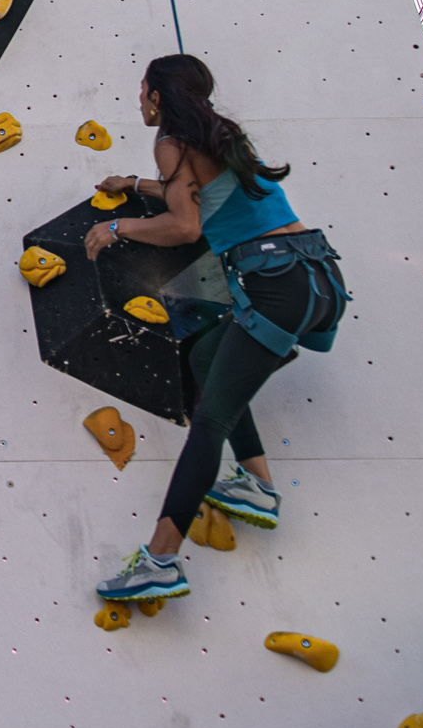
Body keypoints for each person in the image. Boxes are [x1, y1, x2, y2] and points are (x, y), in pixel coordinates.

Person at [81, 53, 349, 603]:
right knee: (206, 360)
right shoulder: (223, 136)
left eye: (142, 90)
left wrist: (117, 224)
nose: (138, 99)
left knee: (210, 421)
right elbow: (202, 194)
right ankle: (257, 485)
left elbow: (185, 225)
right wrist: (134, 183)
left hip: (275, 282)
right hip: (314, 274)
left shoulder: (171, 144)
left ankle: (159, 560)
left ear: (158, 97)